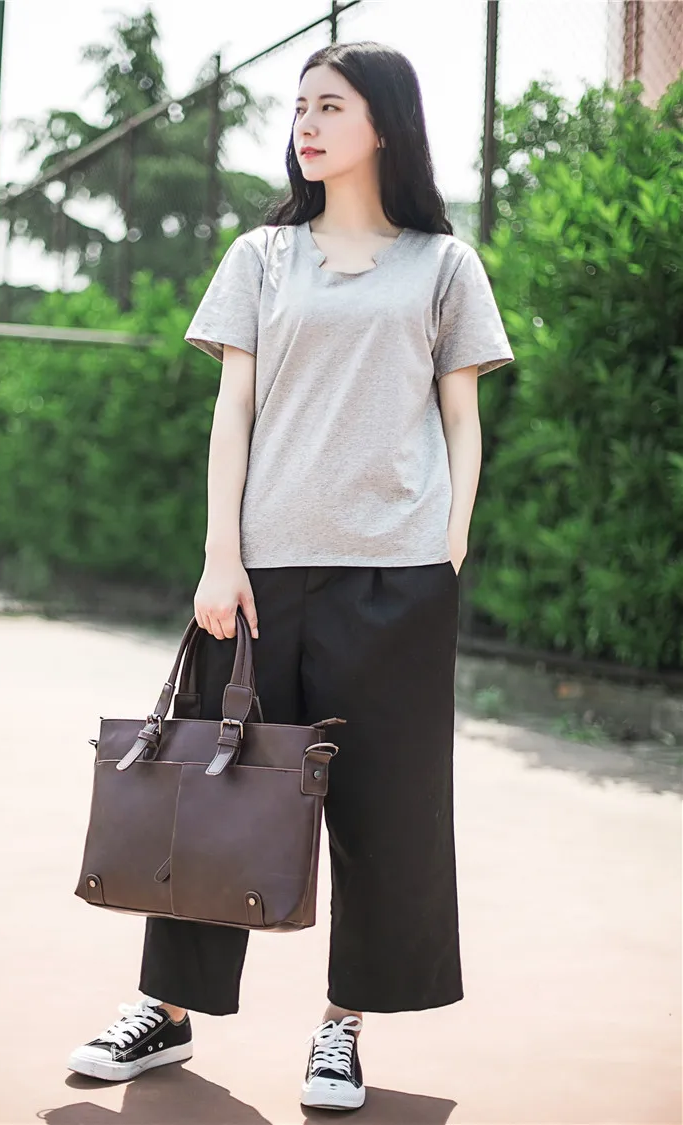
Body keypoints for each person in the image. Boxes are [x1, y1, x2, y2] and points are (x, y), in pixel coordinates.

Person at [67, 39, 514, 1112]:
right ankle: (167, 1010)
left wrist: (448, 544)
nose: (306, 124)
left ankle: (342, 1028)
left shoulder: (444, 266)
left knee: (387, 811)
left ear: (384, 125)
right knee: (210, 788)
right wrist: (220, 554)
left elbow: (462, 418)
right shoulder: (260, 258)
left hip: (397, 581)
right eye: (300, 106)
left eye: (330, 106)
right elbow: (234, 410)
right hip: (261, 577)